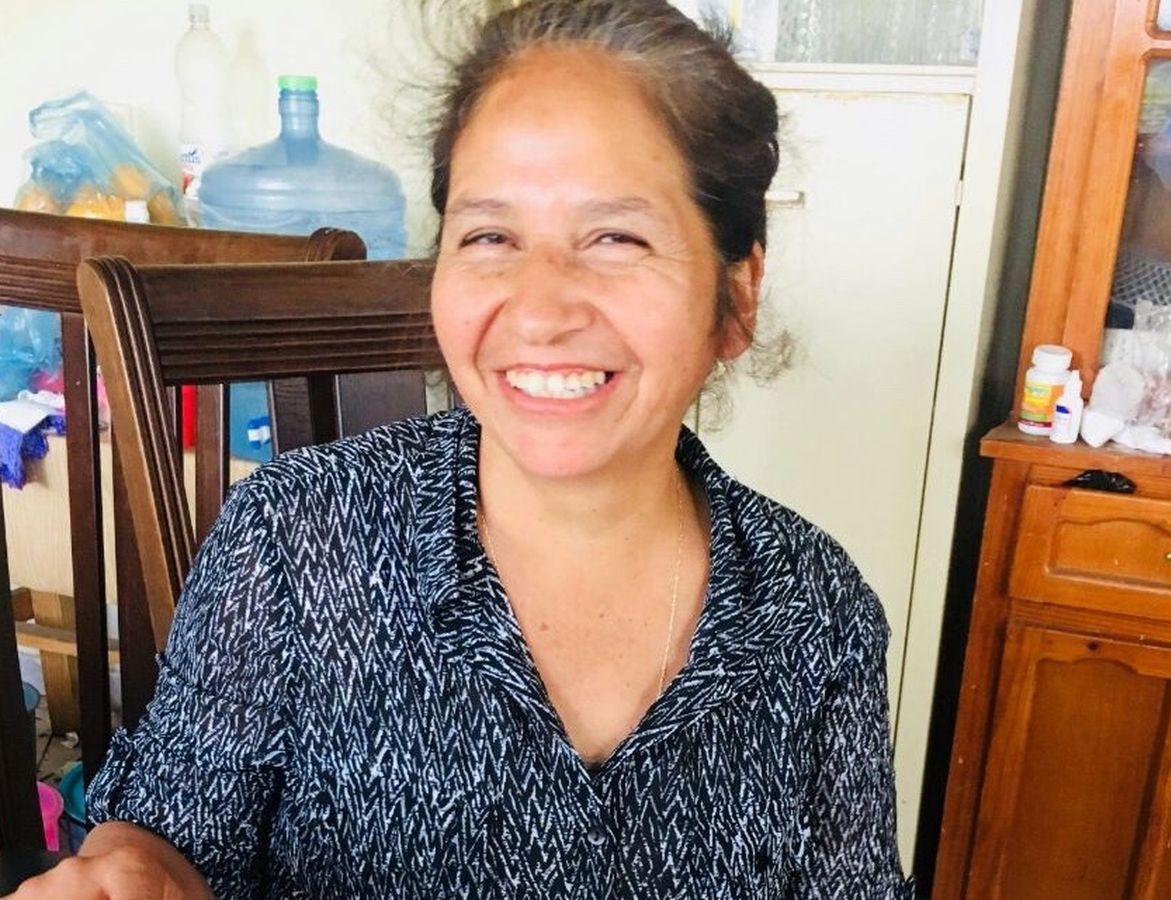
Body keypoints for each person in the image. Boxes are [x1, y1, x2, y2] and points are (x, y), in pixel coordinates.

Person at [14, 1, 913, 896]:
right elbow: (170, 838)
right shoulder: (297, 536)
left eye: (616, 237)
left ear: (737, 294)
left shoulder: (819, 616)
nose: (540, 310)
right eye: (490, 236)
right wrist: (132, 874)